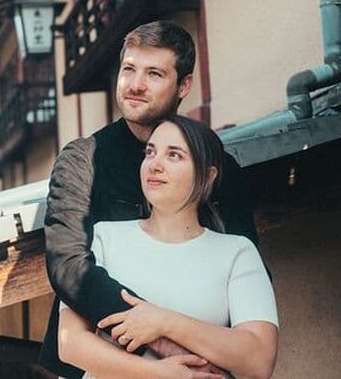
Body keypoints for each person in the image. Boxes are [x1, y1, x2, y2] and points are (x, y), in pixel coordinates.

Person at [39, 21, 262, 377]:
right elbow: (69, 268)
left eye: (154, 73)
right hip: (95, 365)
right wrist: (159, 340)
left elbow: (243, 267)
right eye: (129, 69)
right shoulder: (83, 159)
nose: (136, 84)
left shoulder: (216, 166)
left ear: (183, 85)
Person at [57, 116, 278, 378]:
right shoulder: (105, 236)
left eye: (174, 155)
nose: (155, 164)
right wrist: (158, 373)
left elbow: (259, 358)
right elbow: (69, 343)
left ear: (208, 176)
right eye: (150, 153)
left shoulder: (237, 253)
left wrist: (163, 321)